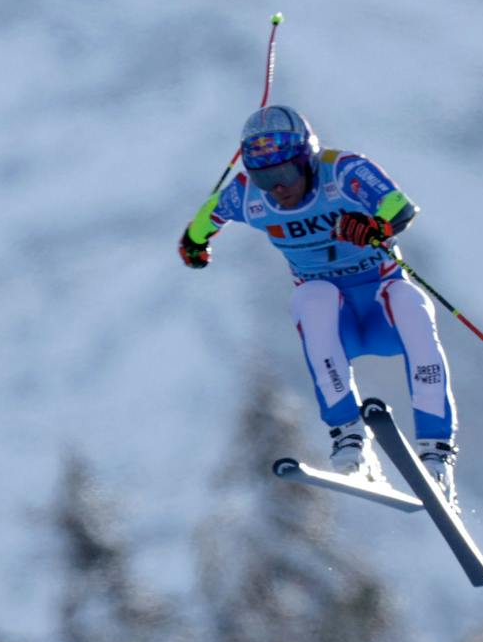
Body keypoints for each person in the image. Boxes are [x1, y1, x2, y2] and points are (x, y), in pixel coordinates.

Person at [178, 105, 458, 507]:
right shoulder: (247, 194)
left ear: (307, 159)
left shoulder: (342, 171)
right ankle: (349, 440)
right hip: (336, 317)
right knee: (313, 297)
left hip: (381, 304)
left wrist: (376, 226)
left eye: (285, 174)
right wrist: (194, 243)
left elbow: (400, 207)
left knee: (411, 301)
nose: (277, 188)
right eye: (264, 177)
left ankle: (436, 457)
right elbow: (209, 215)